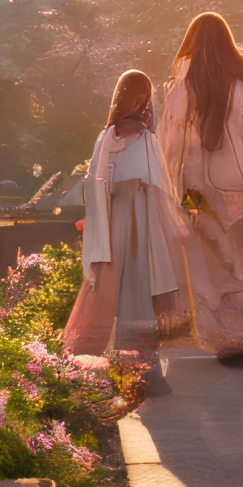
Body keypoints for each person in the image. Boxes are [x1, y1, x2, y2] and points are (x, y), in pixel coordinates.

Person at [157, 13, 243, 362]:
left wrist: (169, 182)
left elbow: (174, 139)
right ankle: (240, 334)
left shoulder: (185, 83)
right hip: (238, 179)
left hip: (196, 183)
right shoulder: (242, 82)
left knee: (203, 257)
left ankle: (215, 333)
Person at [62, 70, 190, 357]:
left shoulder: (105, 136)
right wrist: (175, 224)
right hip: (139, 214)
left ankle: (92, 346)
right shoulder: (145, 139)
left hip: (111, 216)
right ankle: (136, 350)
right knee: (138, 278)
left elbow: (94, 182)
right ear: (144, 100)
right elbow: (158, 184)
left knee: (108, 278)